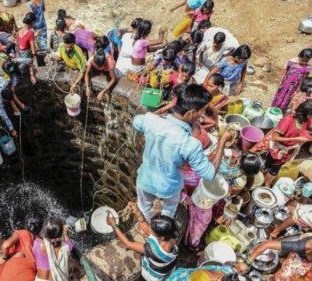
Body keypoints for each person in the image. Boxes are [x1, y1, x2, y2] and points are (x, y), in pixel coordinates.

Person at [132, 84, 234, 225]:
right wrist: (222, 142)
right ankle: (163, 230)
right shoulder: (190, 144)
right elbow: (210, 174)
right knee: (169, 211)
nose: (202, 115)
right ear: (192, 112)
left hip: (145, 180)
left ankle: (146, 226)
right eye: (202, 111)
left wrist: (161, 114)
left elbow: (136, 121)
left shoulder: (150, 120)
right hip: (169, 187)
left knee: (144, 208)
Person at [252, 100, 312, 186]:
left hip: (285, 152)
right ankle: (259, 180)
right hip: (276, 149)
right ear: (308, 115)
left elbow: (307, 129)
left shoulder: (304, 121)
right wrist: (297, 138)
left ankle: (266, 183)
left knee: (274, 170)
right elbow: (274, 137)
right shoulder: (288, 120)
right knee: (266, 165)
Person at [107, 214, 178, 281]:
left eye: (151, 229)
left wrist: (113, 225)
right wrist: (136, 211)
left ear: (161, 238)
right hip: (167, 270)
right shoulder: (173, 235)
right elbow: (146, 226)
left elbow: (127, 244)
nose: (149, 228)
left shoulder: (152, 250)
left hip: (153, 277)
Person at [0, 213, 44, 281]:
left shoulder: (23, 233)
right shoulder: (41, 242)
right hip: (29, 274)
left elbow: (6, 245)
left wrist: (3, 258)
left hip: (14, 269)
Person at [235, 234, 312, 280]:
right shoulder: (299, 246)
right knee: (286, 273)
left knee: (299, 272)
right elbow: (266, 244)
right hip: (301, 248)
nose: (308, 254)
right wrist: (247, 262)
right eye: (309, 253)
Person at [271, 48, 312, 112]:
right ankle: (272, 109)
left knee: (287, 100)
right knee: (279, 97)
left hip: (293, 88)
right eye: (302, 60)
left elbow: (304, 79)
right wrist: (280, 82)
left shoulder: (307, 68)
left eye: (306, 61)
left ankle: (280, 112)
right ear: (299, 56)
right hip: (284, 85)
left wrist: (298, 90)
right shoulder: (291, 63)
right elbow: (285, 72)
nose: (304, 62)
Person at [17, 12, 38, 85]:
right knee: (32, 74)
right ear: (32, 22)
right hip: (27, 57)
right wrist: (35, 56)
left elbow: (19, 44)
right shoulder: (30, 33)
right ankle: (32, 78)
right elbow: (33, 50)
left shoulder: (19, 30)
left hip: (20, 55)